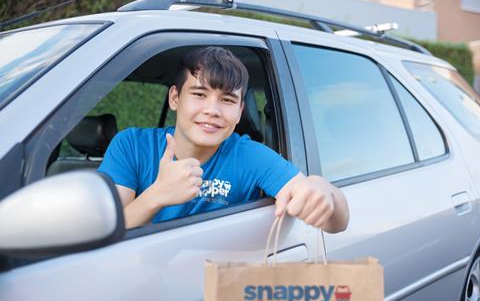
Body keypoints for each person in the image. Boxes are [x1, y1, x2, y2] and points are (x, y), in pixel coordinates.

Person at [98, 46, 349, 231]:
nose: (213, 110)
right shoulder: (131, 145)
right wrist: (158, 195)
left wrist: (324, 192)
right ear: (175, 98)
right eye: (199, 94)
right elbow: (104, 231)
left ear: (240, 111)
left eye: (227, 100)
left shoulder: (249, 155)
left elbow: (337, 222)